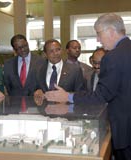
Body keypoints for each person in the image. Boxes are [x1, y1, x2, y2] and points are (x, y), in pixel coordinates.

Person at [44, 13, 131, 160]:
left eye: (99, 34)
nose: (98, 39)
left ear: (110, 31)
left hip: (124, 130)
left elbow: (100, 97)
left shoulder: (113, 57)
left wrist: (68, 96)